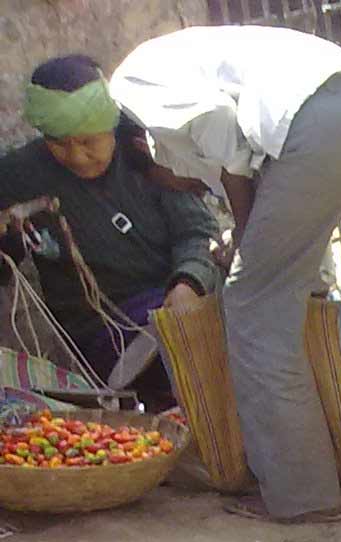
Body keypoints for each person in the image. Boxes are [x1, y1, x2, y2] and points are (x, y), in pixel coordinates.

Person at [109, 24, 341, 522]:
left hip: (318, 126)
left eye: (170, 183)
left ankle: (301, 496)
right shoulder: (217, 49)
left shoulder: (131, 81)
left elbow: (219, 129)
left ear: (149, 149)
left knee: (253, 307)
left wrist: (244, 238)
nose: (185, 188)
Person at [0, 56, 220, 404]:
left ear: (110, 126)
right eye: (59, 143)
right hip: (104, 336)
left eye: (89, 141)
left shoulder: (146, 155)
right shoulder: (19, 175)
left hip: (177, 300)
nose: (76, 156)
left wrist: (188, 282)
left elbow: (195, 231)